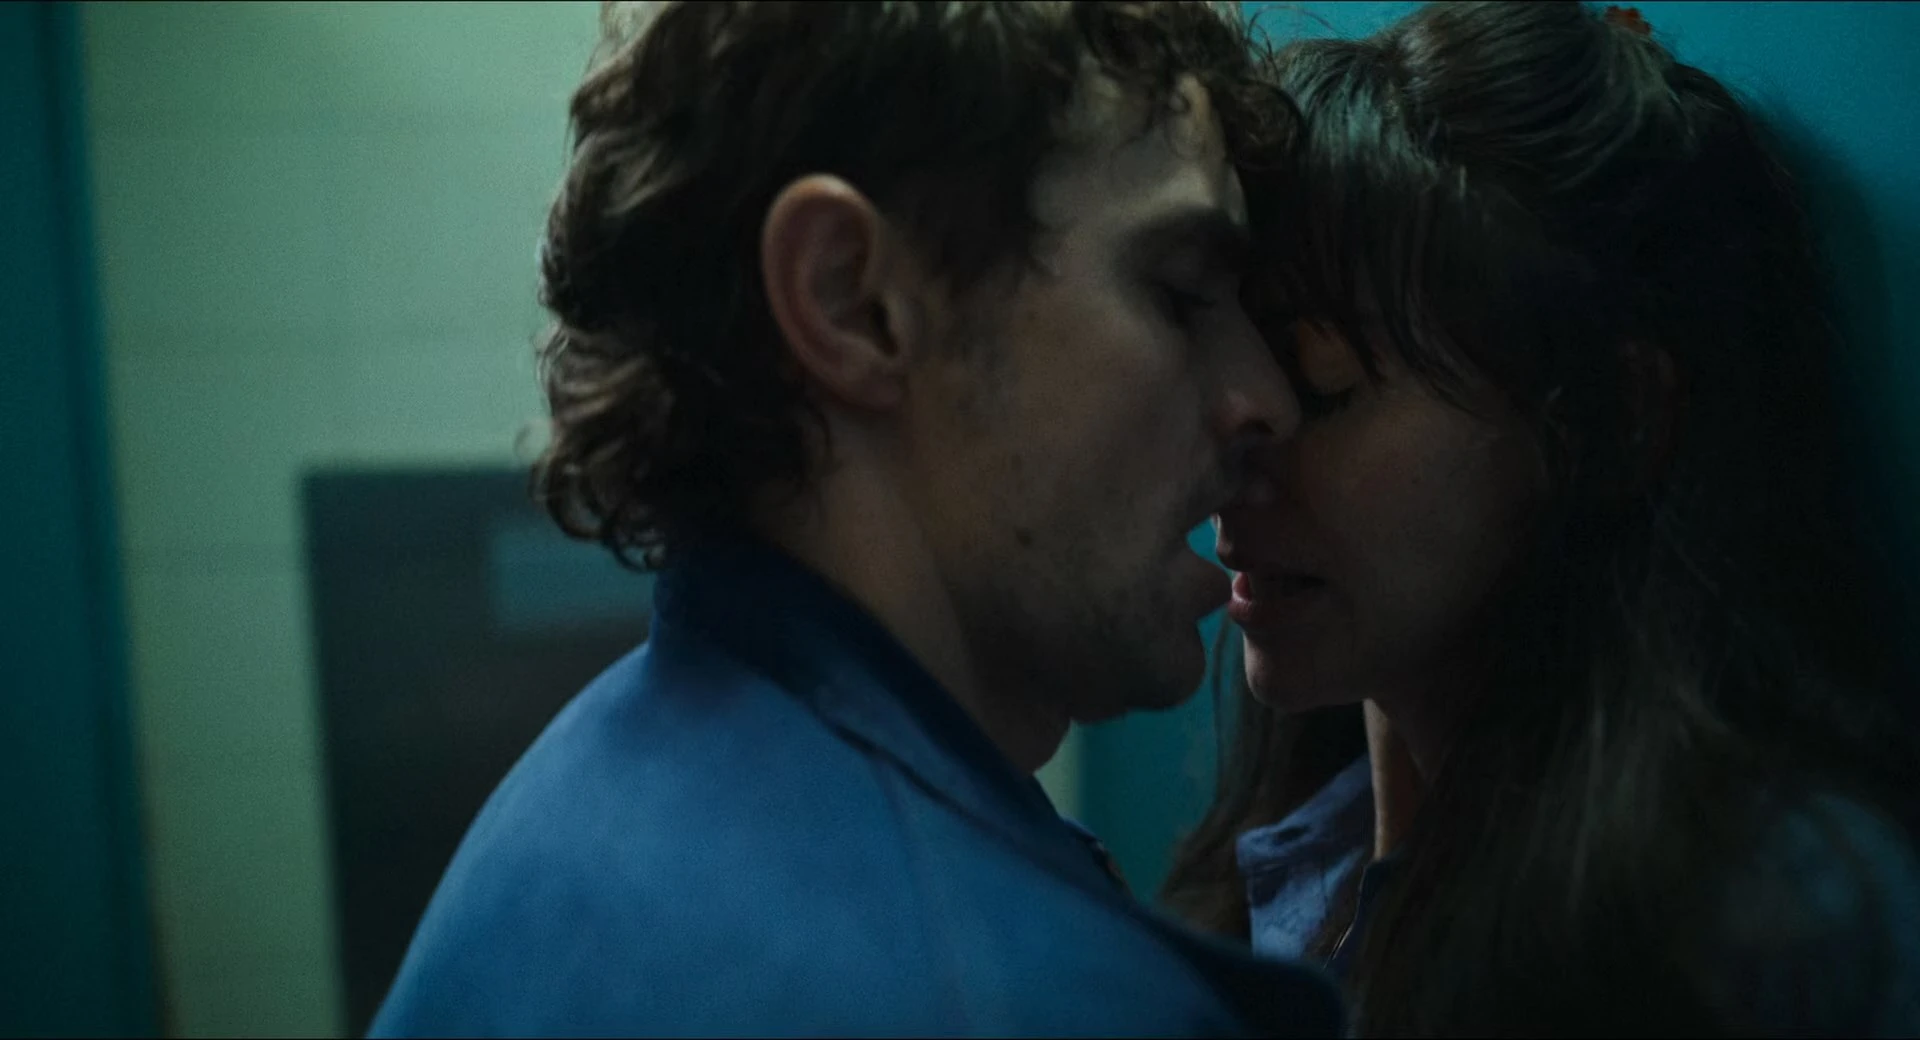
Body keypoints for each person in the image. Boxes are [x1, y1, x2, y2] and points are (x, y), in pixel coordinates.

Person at [371, 1, 1344, 1036]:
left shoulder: (579, 798)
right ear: (851, 300)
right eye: (1181, 293)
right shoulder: (1010, 1001)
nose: (1264, 399)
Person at [1164, 1, 1920, 1035]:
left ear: (1612, 422)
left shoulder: (1780, 922)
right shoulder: (1292, 864)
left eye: (1322, 385)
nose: (1235, 465)